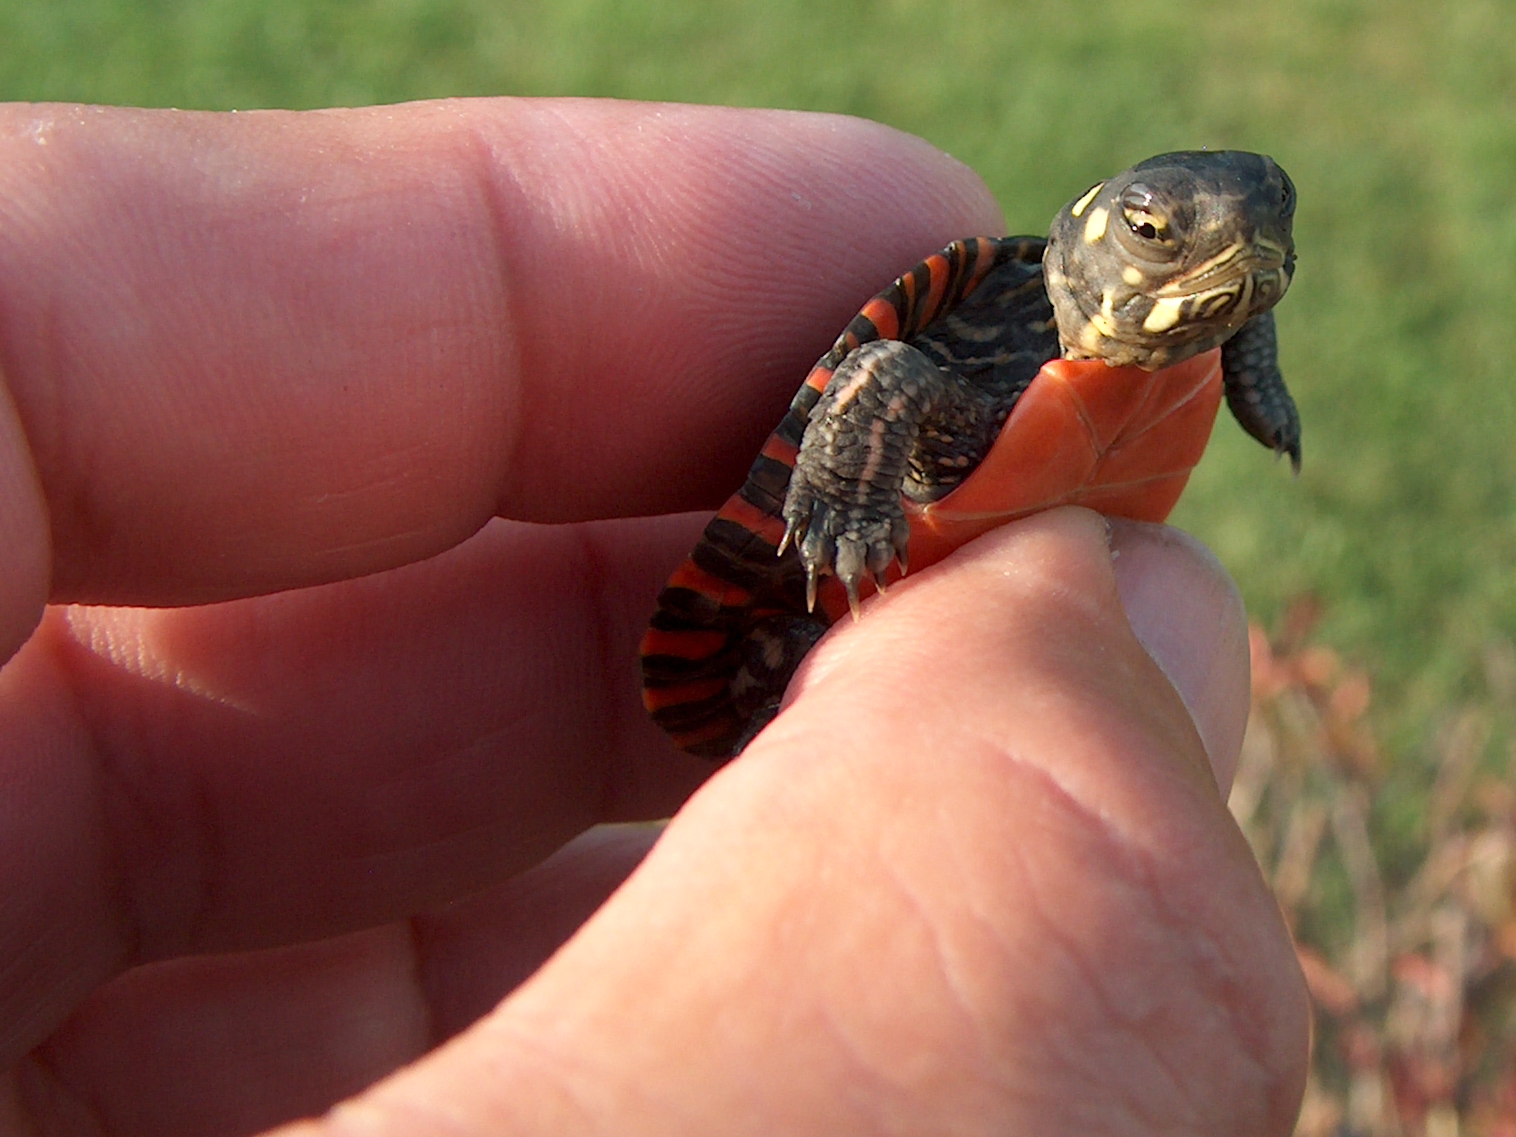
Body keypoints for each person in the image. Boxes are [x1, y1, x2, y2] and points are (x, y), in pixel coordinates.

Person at [0, 101, 1310, 1136]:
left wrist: (1246, 349)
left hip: (995, 556)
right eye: (1156, 233)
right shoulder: (989, 336)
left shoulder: (1194, 313)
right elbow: (886, 372)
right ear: (1090, 234)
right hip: (834, 579)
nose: (1217, 248)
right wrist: (848, 508)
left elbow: (1233, 276)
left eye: (1255, 233)